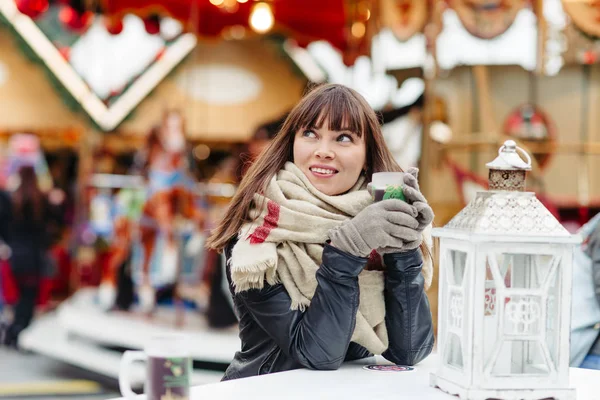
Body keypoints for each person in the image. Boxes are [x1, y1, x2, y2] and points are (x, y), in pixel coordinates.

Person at [207, 83, 435, 380]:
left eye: (343, 138)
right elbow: (317, 353)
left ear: (368, 153)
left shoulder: (380, 216)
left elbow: (409, 351)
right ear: (292, 142)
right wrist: (348, 248)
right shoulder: (258, 233)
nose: (323, 151)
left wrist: (403, 247)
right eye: (310, 134)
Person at [2, 166, 58, 347]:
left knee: (17, 297)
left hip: (15, 255)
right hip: (34, 256)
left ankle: (14, 331)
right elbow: (55, 224)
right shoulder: (41, 200)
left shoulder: (10, 199)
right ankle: (20, 330)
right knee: (28, 296)